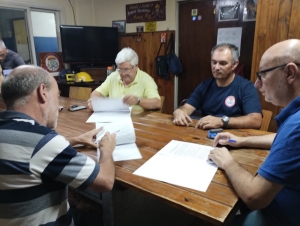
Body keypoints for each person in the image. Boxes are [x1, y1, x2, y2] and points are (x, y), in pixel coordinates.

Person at [0, 65, 116, 225]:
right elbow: (106, 181)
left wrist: (75, 139)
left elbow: (23, 148)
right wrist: (106, 150)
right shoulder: (44, 141)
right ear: (43, 93)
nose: (59, 105)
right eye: (58, 96)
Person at [210, 39, 300, 225]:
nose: (258, 85)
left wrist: (227, 162)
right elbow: (283, 139)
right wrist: (242, 141)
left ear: (290, 73)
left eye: (262, 75)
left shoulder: (296, 126)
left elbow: (255, 196)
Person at [173, 43, 262, 130]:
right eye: (214, 62)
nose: (216, 67)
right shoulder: (205, 85)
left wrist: (222, 121)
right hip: (205, 136)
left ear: (234, 65)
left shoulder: (246, 87)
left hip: (235, 138)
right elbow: (187, 108)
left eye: (222, 63)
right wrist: (180, 112)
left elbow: (256, 120)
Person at [88, 47, 161, 110]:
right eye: (120, 69)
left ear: (136, 66)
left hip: (138, 122)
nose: (123, 73)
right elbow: (96, 93)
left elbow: (157, 103)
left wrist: (138, 100)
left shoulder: (146, 80)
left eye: (126, 69)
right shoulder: (113, 76)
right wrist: (95, 102)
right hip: (114, 119)